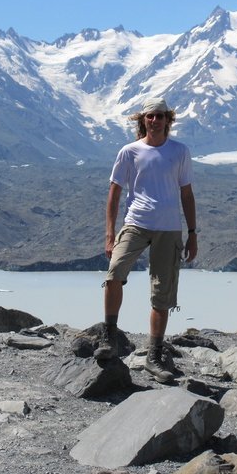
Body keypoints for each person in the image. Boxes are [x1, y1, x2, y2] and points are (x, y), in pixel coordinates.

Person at [94, 97, 197, 384]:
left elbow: (187, 195)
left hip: (169, 229)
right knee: (115, 274)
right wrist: (109, 233)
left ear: (168, 120)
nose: (155, 121)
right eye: (150, 116)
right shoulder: (129, 152)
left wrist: (193, 233)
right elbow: (114, 193)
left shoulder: (179, 152)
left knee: (162, 294)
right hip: (135, 224)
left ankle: (154, 355)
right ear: (143, 120)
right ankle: (109, 337)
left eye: (160, 116)